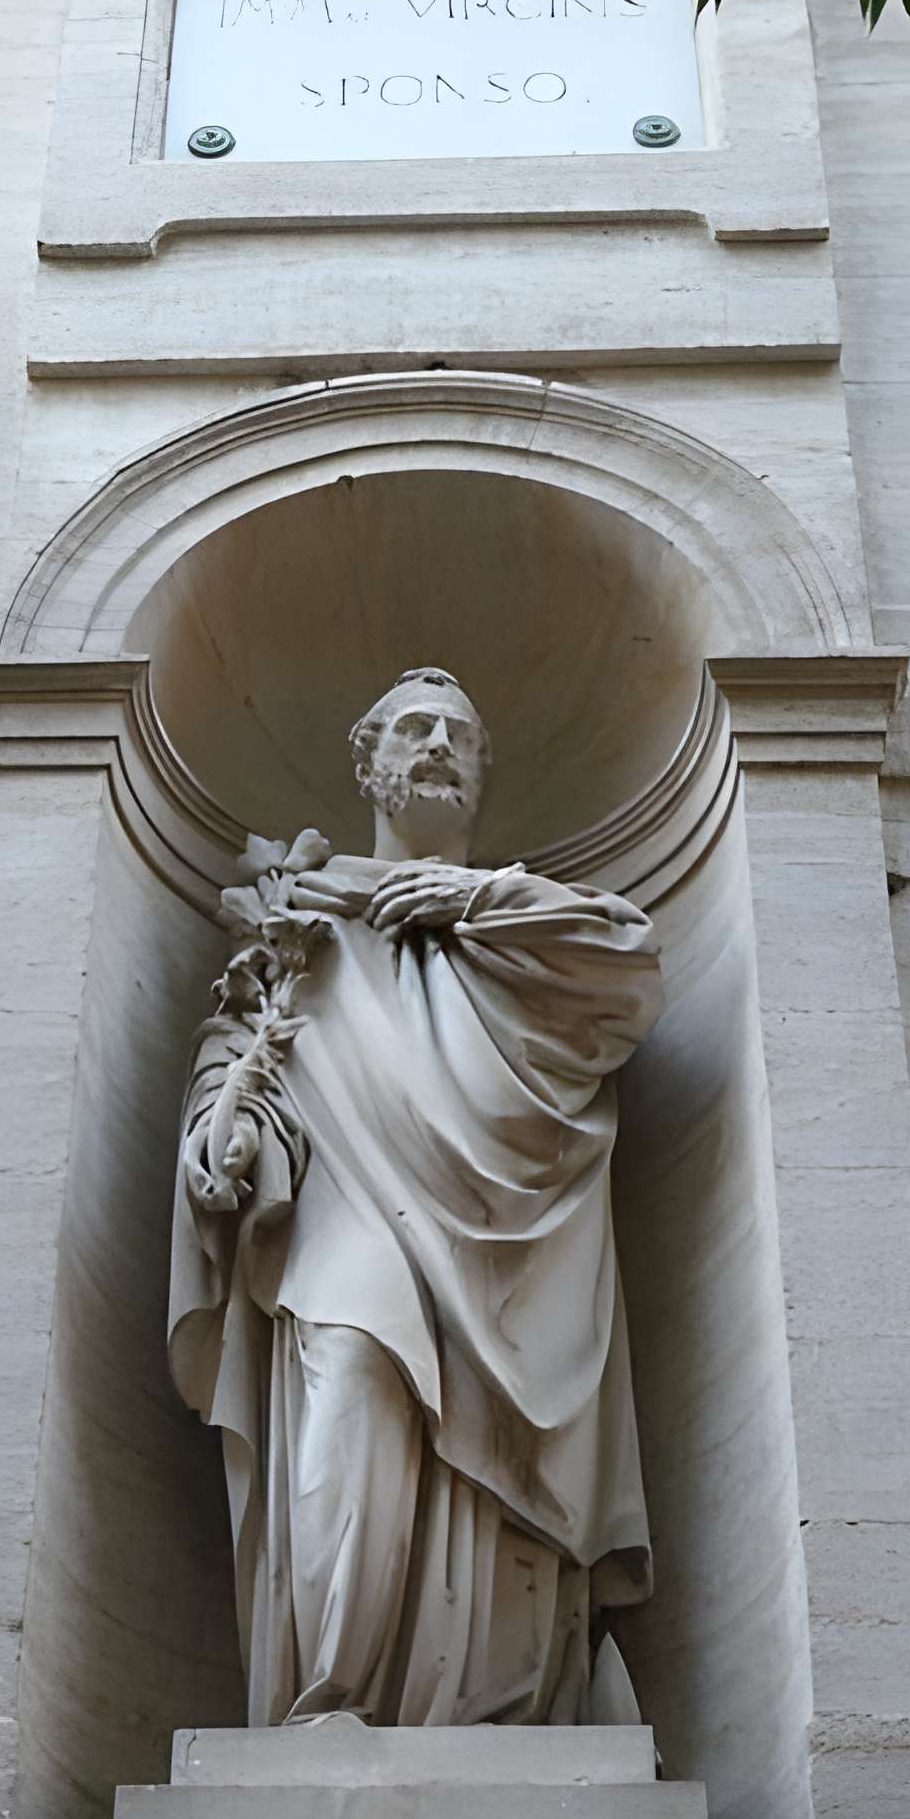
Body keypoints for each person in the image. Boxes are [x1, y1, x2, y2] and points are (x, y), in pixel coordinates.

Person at [168, 667, 664, 1726]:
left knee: (497, 1479)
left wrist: (469, 901)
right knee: (349, 1381)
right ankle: (329, 1698)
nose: (437, 743)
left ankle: (490, 1711)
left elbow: (628, 963)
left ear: (481, 770)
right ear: (369, 765)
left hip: (512, 1245)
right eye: (413, 728)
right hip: (349, 1208)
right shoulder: (301, 916)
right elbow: (242, 1048)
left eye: (458, 734)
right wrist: (230, 1135)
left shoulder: (522, 916)